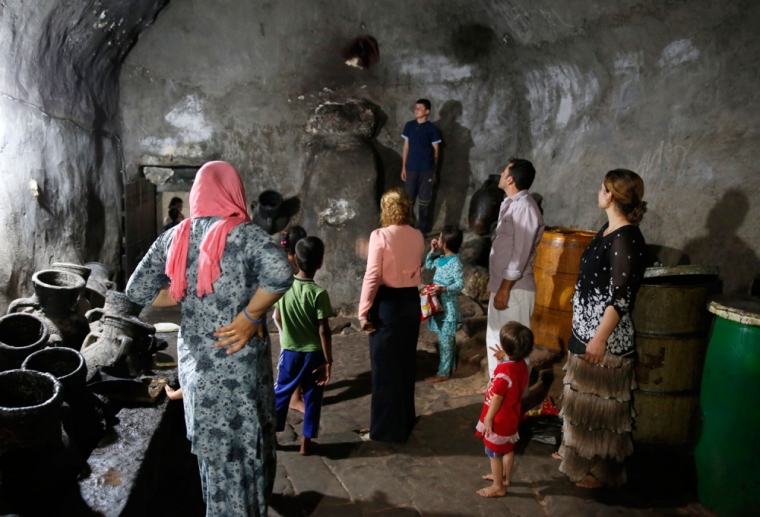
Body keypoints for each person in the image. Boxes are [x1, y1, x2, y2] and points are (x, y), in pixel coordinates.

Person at [126, 161, 293, 516]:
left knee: (216, 465)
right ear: (235, 191)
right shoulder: (244, 235)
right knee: (249, 454)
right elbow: (280, 273)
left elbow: (137, 290)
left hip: (199, 371)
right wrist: (249, 315)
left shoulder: (174, 236)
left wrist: (189, 295)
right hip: (241, 367)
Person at [555, 169, 648, 489]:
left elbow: (622, 297)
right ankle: (577, 455)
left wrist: (599, 339)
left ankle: (603, 471)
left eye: (602, 188)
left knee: (603, 414)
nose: (598, 192)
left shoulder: (627, 237)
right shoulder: (608, 229)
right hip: (585, 332)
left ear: (611, 195)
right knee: (581, 405)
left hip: (605, 341)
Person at [358, 188, 425, 443]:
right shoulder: (418, 235)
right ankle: (405, 419)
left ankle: (385, 430)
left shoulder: (380, 235)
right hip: (410, 302)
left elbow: (373, 275)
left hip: (387, 305)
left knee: (384, 368)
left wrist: (363, 312)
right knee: (406, 364)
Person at [482, 158, 544, 393]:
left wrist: (505, 287)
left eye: (503, 170)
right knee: (496, 337)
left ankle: (515, 394)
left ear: (510, 179)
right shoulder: (511, 203)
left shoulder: (525, 208)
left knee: (515, 345)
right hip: (504, 285)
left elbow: (520, 253)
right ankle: (496, 385)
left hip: (515, 289)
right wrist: (495, 284)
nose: (499, 173)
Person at [272, 237, 334, 456]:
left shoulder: (284, 287)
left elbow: (278, 316)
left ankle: (272, 437)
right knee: (313, 396)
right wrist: (328, 361)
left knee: (281, 393)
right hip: (314, 355)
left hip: (289, 352)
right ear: (321, 262)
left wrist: (288, 334)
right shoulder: (319, 293)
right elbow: (324, 330)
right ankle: (306, 442)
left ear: (295, 259)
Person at [475, 322, 533, 498]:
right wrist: (503, 359)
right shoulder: (521, 364)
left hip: (499, 419)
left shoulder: (503, 374)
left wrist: (488, 419)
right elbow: (510, 384)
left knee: (493, 453)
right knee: (508, 449)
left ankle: (498, 486)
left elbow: (498, 396)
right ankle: (505, 477)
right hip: (512, 417)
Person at [424, 226, 465, 383]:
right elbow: (428, 264)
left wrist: (444, 289)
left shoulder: (455, 262)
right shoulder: (440, 259)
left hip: (448, 308)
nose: (438, 239)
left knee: (445, 341)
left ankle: (443, 373)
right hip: (439, 306)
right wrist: (432, 250)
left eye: (440, 238)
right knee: (448, 339)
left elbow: (460, 284)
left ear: (446, 242)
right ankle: (451, 366)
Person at [278, 225, 309, 413]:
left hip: (287, 314)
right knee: (293, 356)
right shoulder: (287, 266)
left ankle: (296, 392)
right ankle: (294, 397)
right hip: (285, 316)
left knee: (295, 355)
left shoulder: (287, 262)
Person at [401, 98, 441, 235]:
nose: (416, 110)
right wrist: (404, 167)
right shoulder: (409, 126)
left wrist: (434, 171)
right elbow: (406, 147)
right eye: (416, 107)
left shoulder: (431, 129)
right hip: (411, 168)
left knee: (424, 201)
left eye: (420, 108)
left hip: (426, 169)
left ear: (427, 111)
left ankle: (422, 230)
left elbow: (436, 150)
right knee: (408, 200)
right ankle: (407, 228)